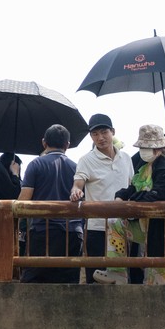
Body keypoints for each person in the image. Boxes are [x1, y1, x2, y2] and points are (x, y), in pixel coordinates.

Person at [18, 123, 84, 283]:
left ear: (44, 142)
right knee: (68, 283)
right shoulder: (77, 167)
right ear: (67, 145)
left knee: (35, 282)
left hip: (42, 231)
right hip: (73, 232)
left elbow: (24, 199)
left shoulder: (36, 164)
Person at [70, 113, 131, 282]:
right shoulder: (86, 160)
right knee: (95, 276)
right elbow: (78, 183)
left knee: (122, 277)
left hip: (122, 227)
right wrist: (76, 191)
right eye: (95, 134)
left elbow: (131, 186)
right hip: (97, 228)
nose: (100, 138)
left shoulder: (126, 158)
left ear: (113, 131)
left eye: (104, 132)